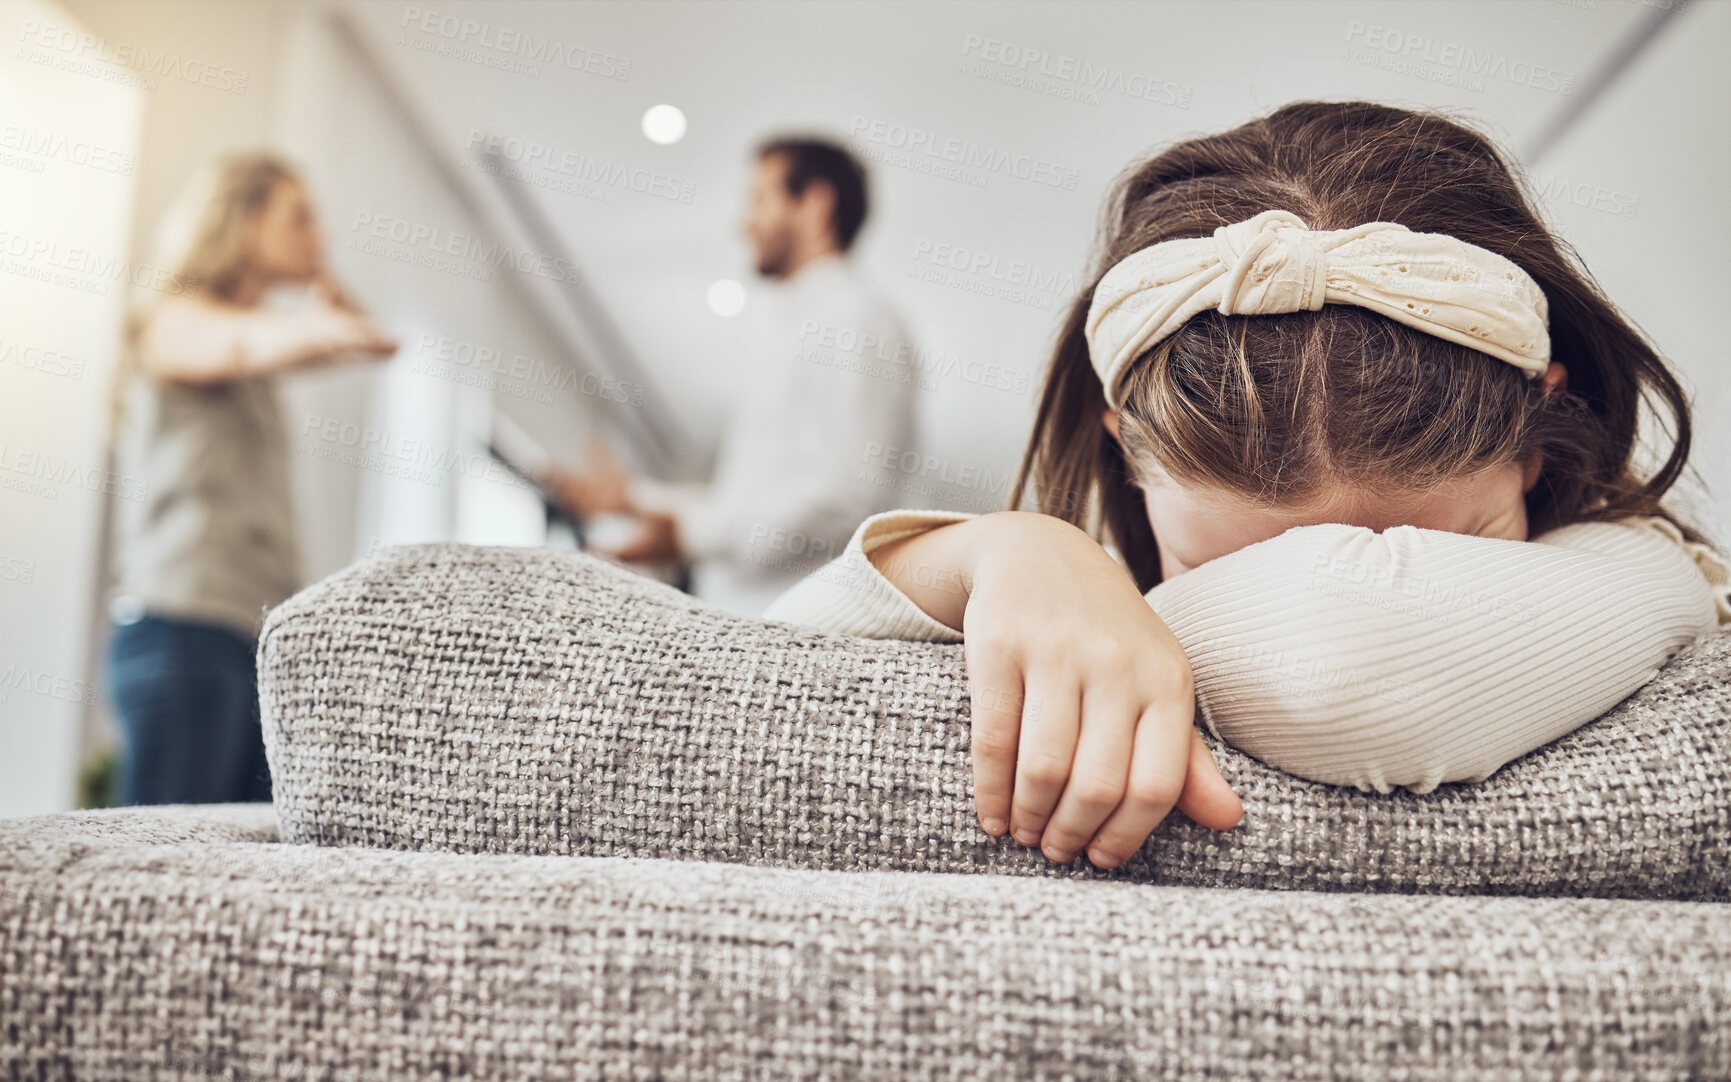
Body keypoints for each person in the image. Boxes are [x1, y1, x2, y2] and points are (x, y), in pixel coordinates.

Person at [761, 101, 1731, 872]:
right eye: (1220, 562)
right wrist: (999, 550)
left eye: (1423, 554)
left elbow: (1344, 656)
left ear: (1540, 445)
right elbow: (766, 675)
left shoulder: (1652, 571)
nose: (1333, 569)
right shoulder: (1050, 578)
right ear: (1124, 457)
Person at [107, 154, 398, 805]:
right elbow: (243, 343)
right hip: (181, 629)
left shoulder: (259, 345)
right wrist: (319, 314)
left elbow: (377, 342)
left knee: (233, 874)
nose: (318, 235)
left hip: (247, 637)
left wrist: (316, 278)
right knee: (162, 870)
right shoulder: (173, 318)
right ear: (243, 218)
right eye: (300, 217)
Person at [541, 137, 920, 617]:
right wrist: (635, 500)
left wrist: (685, 535)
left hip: (801, 633)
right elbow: (752, 502)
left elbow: (842, 496)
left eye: (759, 199)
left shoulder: (856, 321)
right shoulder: (805, 324)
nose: (744, 223)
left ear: (815, 205)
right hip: (760, 624)